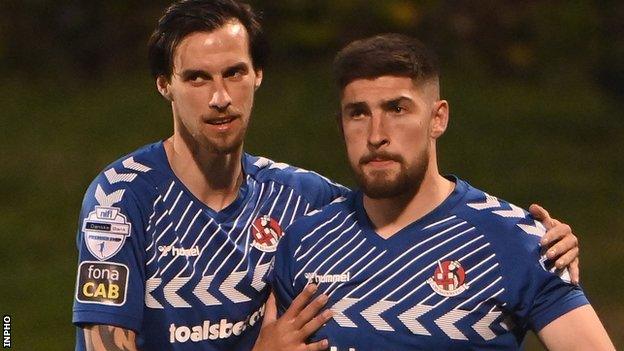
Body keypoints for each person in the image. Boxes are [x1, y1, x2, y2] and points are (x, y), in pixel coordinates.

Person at [71, 1, 582, 350]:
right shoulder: (120, 200)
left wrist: (537, 242)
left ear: (258, 76)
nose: (220, 97)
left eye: (234, 73)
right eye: (197, 78)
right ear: (165, 85)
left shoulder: (302, 197)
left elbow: (407, 207)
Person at [269, 33, 615, 350]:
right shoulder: (305, 243)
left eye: (397, 109)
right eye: (358, 113)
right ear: (340, 125)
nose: (376, 135)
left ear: (438, 119)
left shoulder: (519, 241)